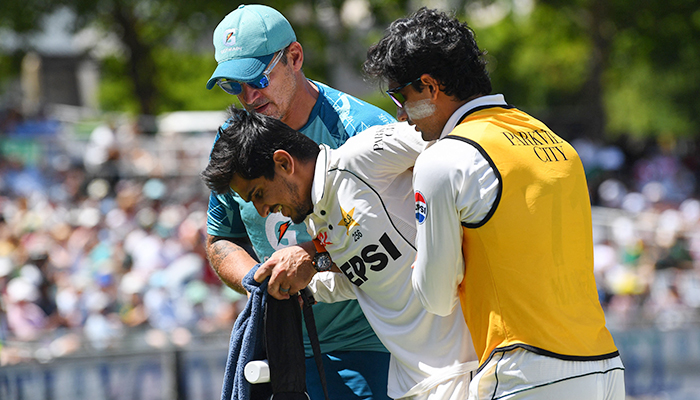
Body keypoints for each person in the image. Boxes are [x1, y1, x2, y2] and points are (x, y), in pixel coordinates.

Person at [363, 7, 626, 400]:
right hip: (604, 365)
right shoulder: (557, 143)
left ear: (430, 87)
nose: (399, 113)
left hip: (525, 371)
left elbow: (435, 297)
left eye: (401, 95)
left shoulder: (444, 158)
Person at [201, 107, 478, 400]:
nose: (261, 210)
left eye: (258, 193)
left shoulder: (363, 154)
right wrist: (304, 288)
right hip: (414, 382)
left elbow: (459, 143)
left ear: (283, 163)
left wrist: (444, 226)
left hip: (472, 366)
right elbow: (364, 276)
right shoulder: (316, 219)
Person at [205, 4, 395, 399]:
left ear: (295, 57)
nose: (248, 96)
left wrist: (311, 256)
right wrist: (255, 280)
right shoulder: (232, 140)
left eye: (257, 78)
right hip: (281, 345)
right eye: (233, 85)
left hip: (372, 343)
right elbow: (221, 240)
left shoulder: (365, 131)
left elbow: (407, 232)